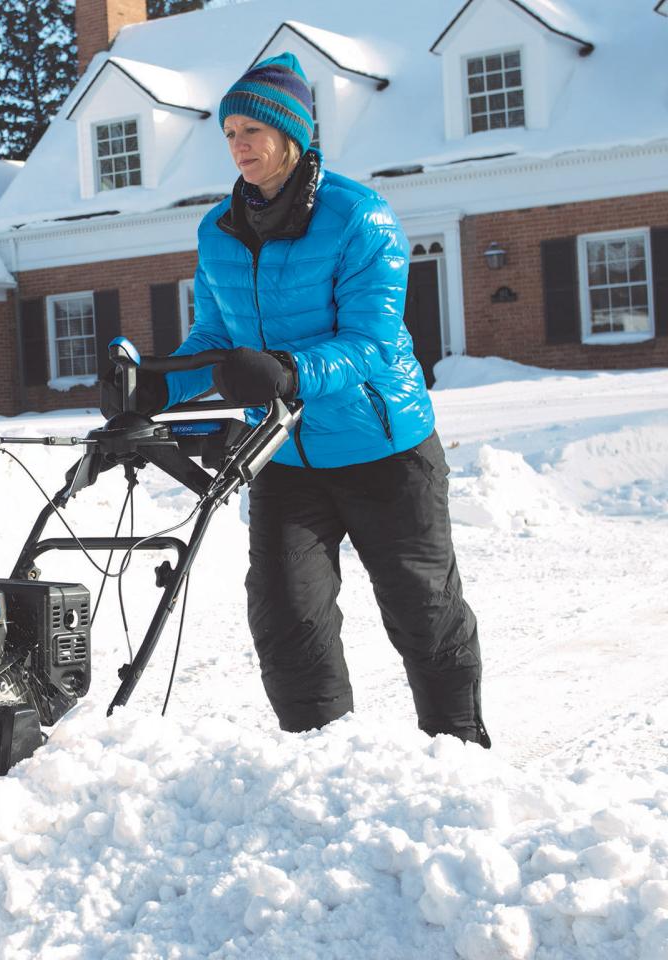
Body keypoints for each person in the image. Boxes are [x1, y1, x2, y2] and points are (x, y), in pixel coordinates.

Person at [102, 52, 490, 747]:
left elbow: (372, 344)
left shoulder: (359, 218)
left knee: (422, 612)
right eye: (230, 134)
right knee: (285, 618)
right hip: (282, 455)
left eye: (252, 129)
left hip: (385, 450)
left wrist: (287, 372)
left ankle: (459, 757)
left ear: (293, 136)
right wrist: (159, 384)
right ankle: (321, 763)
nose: (239, 145)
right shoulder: (218, 230)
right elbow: (218, 338)